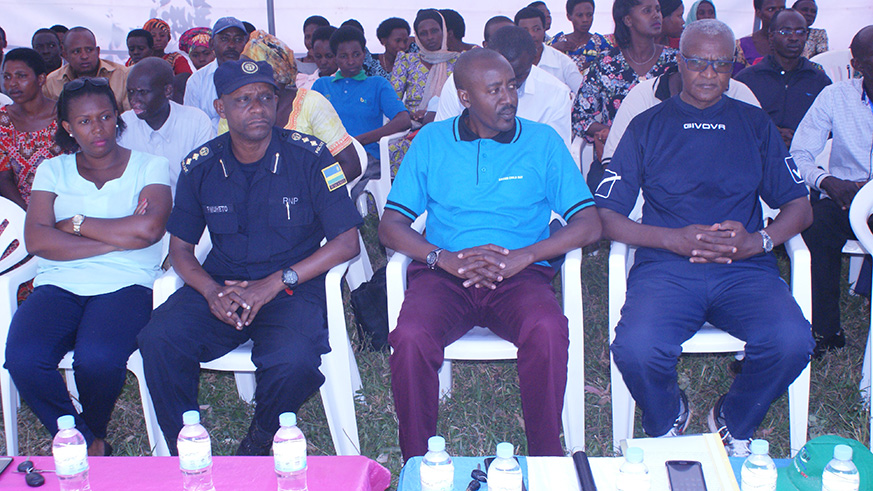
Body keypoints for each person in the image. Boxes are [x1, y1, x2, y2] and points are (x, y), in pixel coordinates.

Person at [597, 19, 814, 457]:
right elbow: (606, 216)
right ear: (679, 62)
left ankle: (734, 419)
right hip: (668, 266)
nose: (709, 74)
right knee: (637, 348)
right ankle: (666, 414)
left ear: (733, 65)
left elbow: (800, 206)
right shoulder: (647, 125)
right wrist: (671, 239)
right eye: (697, 63)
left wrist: (760, 241)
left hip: (744, 268)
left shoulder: (753, 124)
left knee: (792, 341)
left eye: (719, 64)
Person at [380, 48, 602, 461]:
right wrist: (442, 258)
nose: (509, 98)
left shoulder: (541, 141)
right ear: (464, 97)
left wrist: (525, 256)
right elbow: (389, 226)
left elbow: (589, 224)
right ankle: (417, 461)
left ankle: (545, 458)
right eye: (495, 90)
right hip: (446, 275)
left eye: (512, 86)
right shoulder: (431, 141)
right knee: (410, 337)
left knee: (548, 329)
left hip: (519, 275)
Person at [137, 59, 362, 456]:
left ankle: (259, 440)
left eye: (265, 98)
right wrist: (209, 292)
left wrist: (274, 283)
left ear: (278, 103)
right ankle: (185, 448)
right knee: (158, 337)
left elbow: (347, 242)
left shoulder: (311, 157)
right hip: (223, 285)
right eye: (243, 100)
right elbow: (181, 250)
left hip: (293, 285)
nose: (257, 108)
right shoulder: (200, 165)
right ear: (221, 108)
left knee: (294, 361)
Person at [4, 76, 172, 458]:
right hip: (59, 282)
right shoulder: (52, 170)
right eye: (84, 121)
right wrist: (118, 238)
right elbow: (39, 242)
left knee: (98, 359)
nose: (97, 128)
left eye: (105, 116)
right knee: (23, 358)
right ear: (67, 127)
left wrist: (75, 225)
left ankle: (88, 433)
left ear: (118, 117)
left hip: (128, 283)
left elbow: (149, 229)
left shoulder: (150, 165)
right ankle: (88, 441)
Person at [791, 25, 873, 356]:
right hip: (845, 199)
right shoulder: (836, 96)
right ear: (857, 64)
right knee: (816, 225)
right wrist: (826, 181)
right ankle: (826, 329)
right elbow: (799, 154)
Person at [220, 30, 361, 180]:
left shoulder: (311, 104)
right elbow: (224, 165)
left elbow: (350, 166)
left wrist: (316, 188)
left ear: (277, 78)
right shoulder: (234, 109)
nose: (245, 81)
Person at [573, 0, 679, 190]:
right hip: (616, 157)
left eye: (658, 10)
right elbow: (580, 116)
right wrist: (607, 132)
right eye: (647, 11)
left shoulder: (676, 62)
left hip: (669, 157)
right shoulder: (605, 64)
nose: (656, 15)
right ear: (628, 20)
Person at [436, 26, 574, 149]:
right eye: (496, 85)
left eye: (515, 80)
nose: (508, 95)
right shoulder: (461, 82)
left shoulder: (556, 93)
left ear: (534, 59)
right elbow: (443, 139)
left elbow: (556, 156)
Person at [312, 26, 411, 195]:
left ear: (364, 54)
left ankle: (344, 213)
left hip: (365, 159)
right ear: (335, 57)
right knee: (314, 183)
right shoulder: (322, 86)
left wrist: (359, 141)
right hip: (328, 158)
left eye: (356, 54)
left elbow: (403, 120)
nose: (351, 61)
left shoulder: (377, 84)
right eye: (343, 56)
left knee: (331, 187)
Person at [735, 9, 831, 148]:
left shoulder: (820, 81)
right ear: (771, 37)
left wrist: (801, 138)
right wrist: (769, 133)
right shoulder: (747, 80)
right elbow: (735, 124)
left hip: (806, 159)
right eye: (785, 32)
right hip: (758, 157)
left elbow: (830, 130)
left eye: (800, 32)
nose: (793, 37)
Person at [118, 58, 213, 192]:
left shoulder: (196, 122)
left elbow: (204, 180)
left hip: (186, 208)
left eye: (143, 92)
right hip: (138, 209)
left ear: (167, 91)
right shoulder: (125, 124)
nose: (134, 100)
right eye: (131, 92)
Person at [0, 48, 66, 209]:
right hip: (20, 209)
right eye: (7, 77)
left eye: (21, 76)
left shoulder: (65, 114)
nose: (12, 83)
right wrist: (28, 213)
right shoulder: (3, 121)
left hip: (68, 205)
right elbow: (4, 178)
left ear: (41, 79)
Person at [391, 9, 460, 127]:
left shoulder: (459, 61)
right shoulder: (406, 60)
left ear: (444, 32)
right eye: (423, 33)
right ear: (417, 37)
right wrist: (411, 114)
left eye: (434, 31)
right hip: (411, 126)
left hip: (449, 124)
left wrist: (433, 113)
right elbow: (393, 100)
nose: (430, 37)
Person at [43, 27, 131, 111]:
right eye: (77, 51)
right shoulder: (51, 82)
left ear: (97, 51)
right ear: (65, 55)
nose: (84, 56)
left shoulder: (123, 75)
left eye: (89, 50)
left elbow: (132, 119)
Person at [183, 17, 247, 131]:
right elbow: (191, 126)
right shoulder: (197, 81)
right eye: (224, 39)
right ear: (212, 44)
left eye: (238, 40)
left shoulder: (256, 77)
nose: (232, 45)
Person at [515, 7, 583, 93]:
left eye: (536, 29)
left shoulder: (563, 62)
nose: (532, 35)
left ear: (544, 30)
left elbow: (582, 93)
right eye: (525, 30)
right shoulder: (510, 63)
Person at [550, 0, 612, 73]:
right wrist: (552, 49)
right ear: (569, 16)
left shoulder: (602, 44)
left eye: (589, 15)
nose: (585, 20)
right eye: (580, 15)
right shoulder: (557, 41)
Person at [734, 0, 786, 74]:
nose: (778, 14)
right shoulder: (741, 46)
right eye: (771, 9)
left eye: (782, 9)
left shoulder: (794, 42)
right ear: (758, 13)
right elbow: (735, 80)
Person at [297, 26, 338, 90]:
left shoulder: (348, 82)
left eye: (329, 56)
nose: (323, 62)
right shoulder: (305, 83)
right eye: (318, 56)